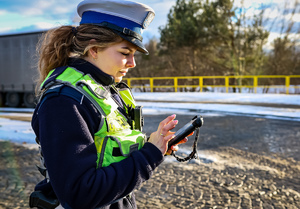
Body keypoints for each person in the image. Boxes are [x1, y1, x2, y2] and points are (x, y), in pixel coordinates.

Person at [30, 0, 187, 208]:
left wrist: (155, 145)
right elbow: (79, 193)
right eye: (125, 53)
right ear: (94, 49)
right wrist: (149, 155)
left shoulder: (106, 88)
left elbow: (109, 152)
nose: (133, 63)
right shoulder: (64, 101)